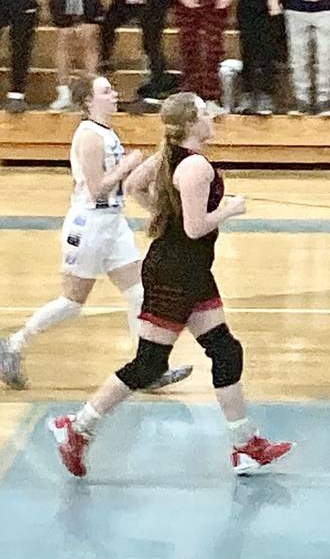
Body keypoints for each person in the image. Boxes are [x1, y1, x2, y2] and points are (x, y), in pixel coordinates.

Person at [48, 92, 294, 478]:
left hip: (190, 271)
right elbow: (196, 228)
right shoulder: (195, 167)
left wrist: (164, 214)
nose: (212, 115)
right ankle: (77, 428)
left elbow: (133, 187)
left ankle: (245, 445)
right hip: (176, 272)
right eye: (205, 111)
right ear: (193, 122)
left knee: (225, 351)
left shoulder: (169, 157)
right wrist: (227, 209)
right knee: (149, 364)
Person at [0, 74, 192, 391]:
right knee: (72, 301)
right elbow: (97, 189)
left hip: (112, 222)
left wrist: (148, 187)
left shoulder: (106, 132)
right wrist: (126, 167)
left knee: (138, 291)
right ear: (88, 101)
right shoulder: (89, 136)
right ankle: (13, 345)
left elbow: (120, 186)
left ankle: (147, 368)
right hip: (90, 224)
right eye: (106, 91)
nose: (114, 94)